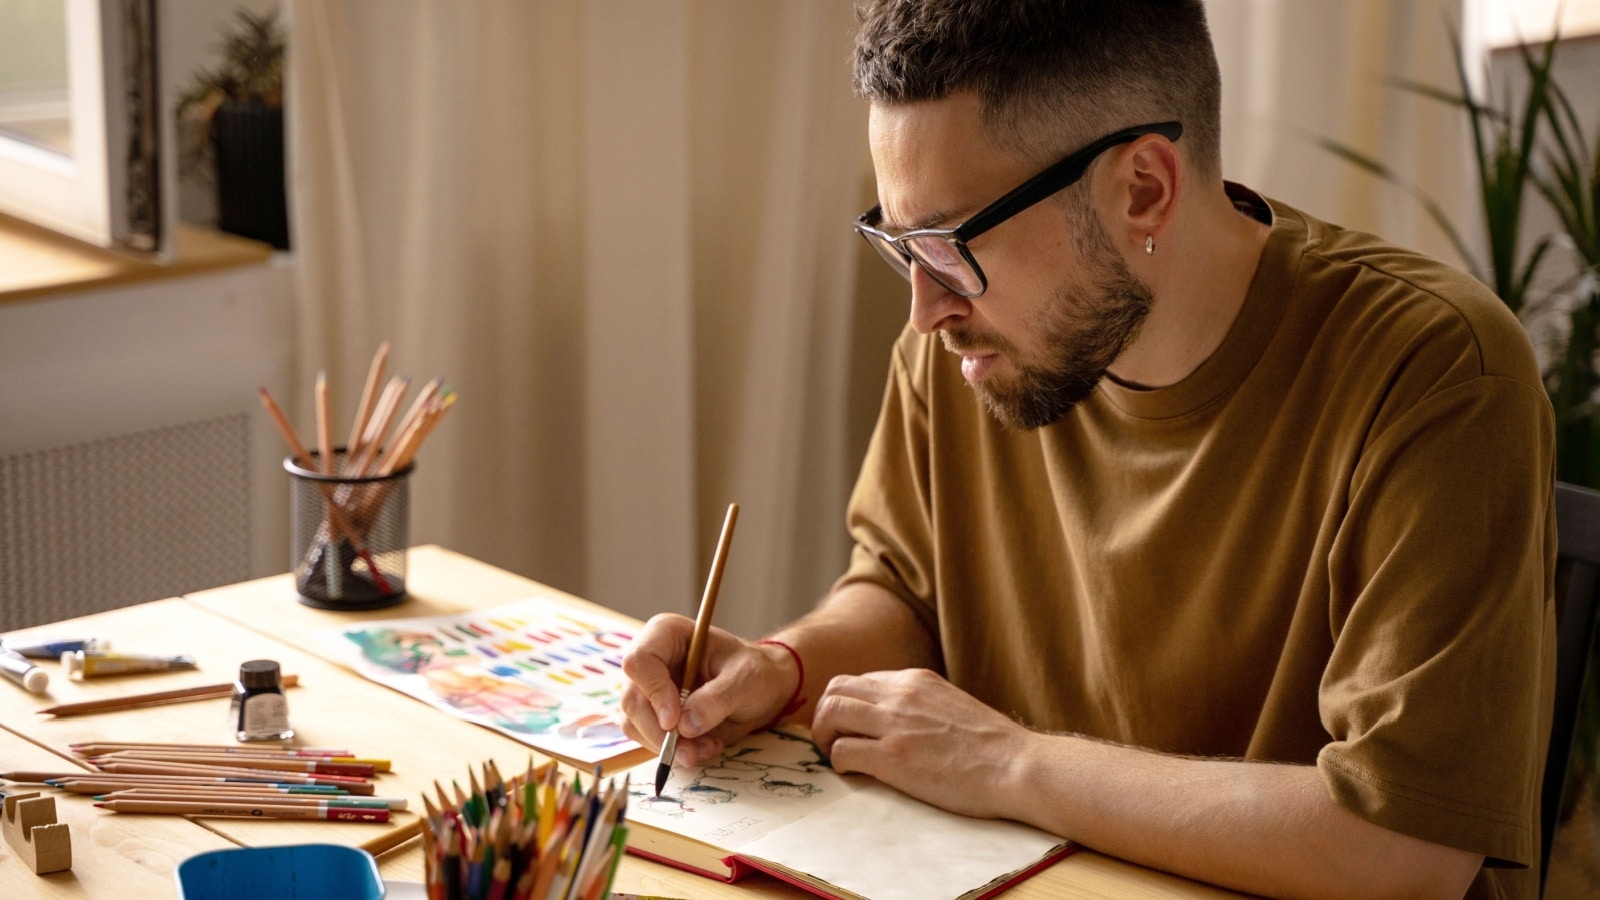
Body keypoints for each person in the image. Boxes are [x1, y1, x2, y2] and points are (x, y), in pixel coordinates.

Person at [620, 1, 1556, 897]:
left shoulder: (1436, 373)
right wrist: (782, 666)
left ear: (1143, 188)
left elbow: (1404, 848)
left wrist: (1009, 764)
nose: (924, 308)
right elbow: (907, 592)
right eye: (901, 243)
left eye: (949, 244)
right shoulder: (972, 343)